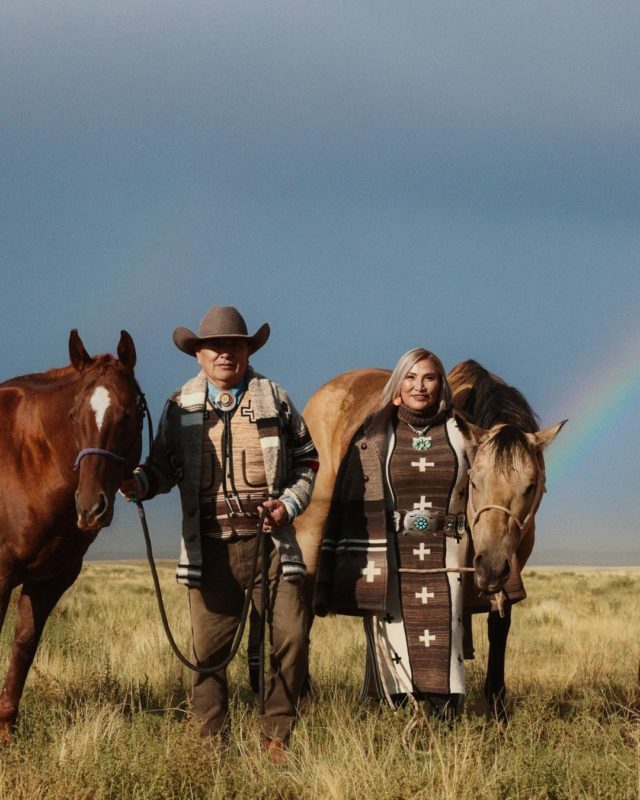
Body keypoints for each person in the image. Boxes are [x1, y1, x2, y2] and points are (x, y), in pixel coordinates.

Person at [121, 305, 318, 762]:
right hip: (208, 551)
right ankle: (210, 745)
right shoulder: (180, 405)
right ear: (198, 355)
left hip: (272, 545)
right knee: (208, 653)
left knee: (291, 637)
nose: (226, 353)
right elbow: (160, 469)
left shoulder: (276, 399)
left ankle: (276, 736)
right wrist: (138, 484)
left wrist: (287, 506)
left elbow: (308, 462)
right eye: (216, 346)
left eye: (235, 344)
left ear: (248, 351)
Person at [313, 348, 470, 719]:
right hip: (390, 553)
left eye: (429, 377)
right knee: (393, 636)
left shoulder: (462, 432)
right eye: (411, 377)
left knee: (444, 640)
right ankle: (395, 715)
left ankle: (443, 717)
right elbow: (350, 497)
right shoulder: (373, 435)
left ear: (441, 384)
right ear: (399, 383)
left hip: (446, 554)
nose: (420, 386)